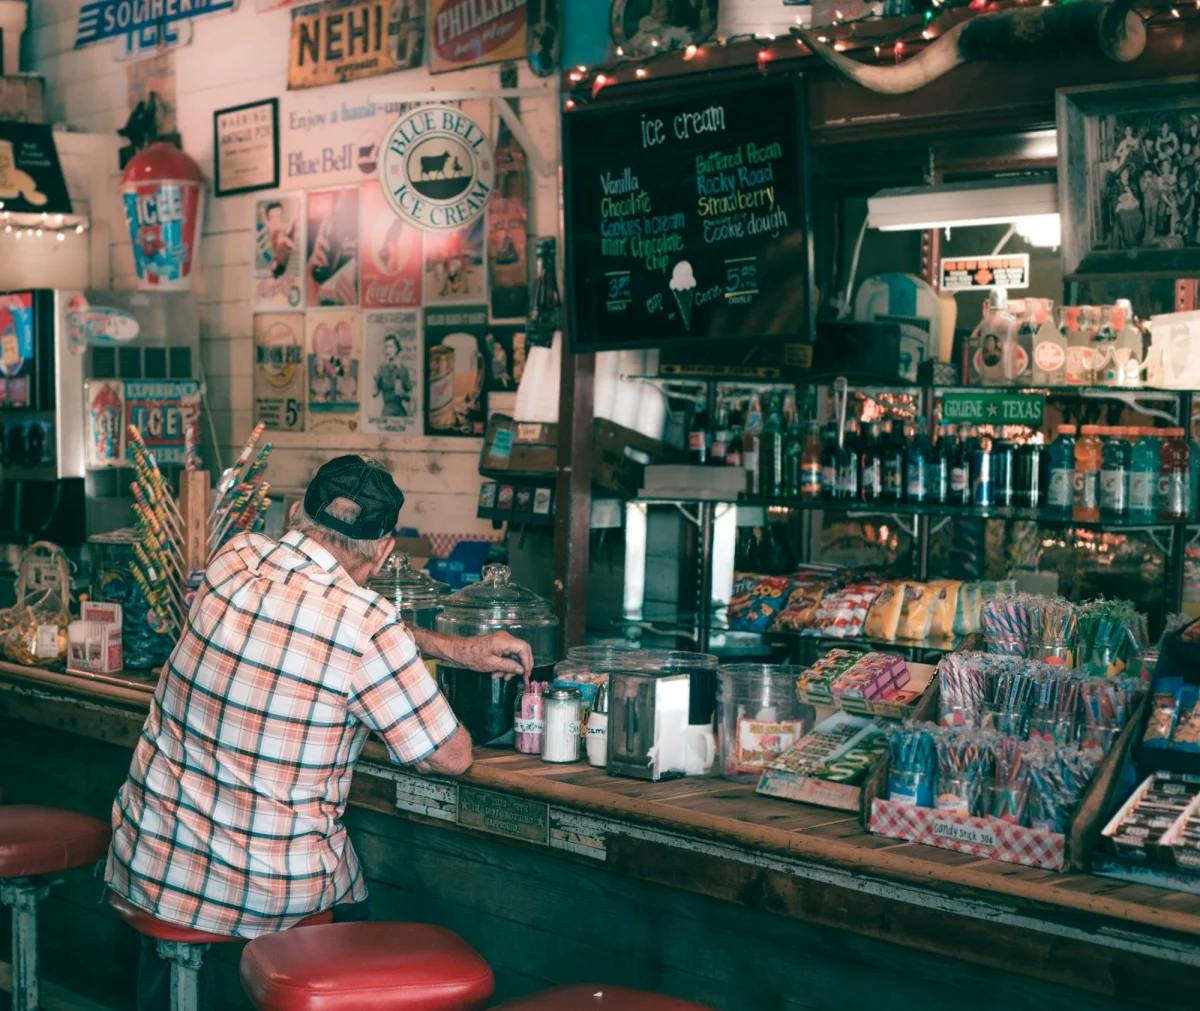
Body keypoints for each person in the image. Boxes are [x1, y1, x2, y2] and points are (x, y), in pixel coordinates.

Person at [106, 456, 532, 1009]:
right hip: (264, 895)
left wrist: (450, 647)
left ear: (297, 514)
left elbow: (317, 616)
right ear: (383, 551)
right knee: (351, 902)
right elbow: (450, 757)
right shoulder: (365, 622)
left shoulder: (233, 558)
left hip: (149, 863)